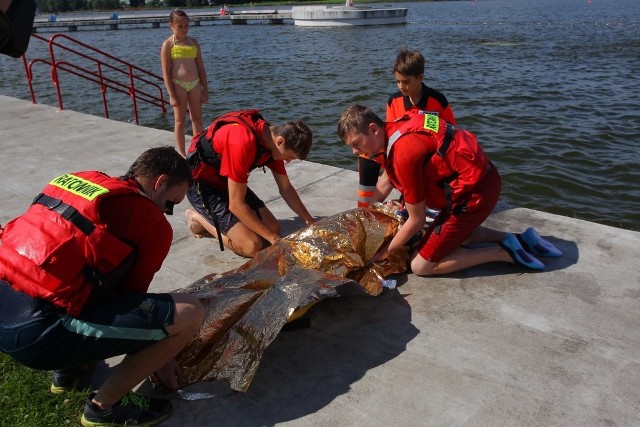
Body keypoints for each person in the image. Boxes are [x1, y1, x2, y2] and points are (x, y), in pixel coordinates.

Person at [0, 146, 206, 427]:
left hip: (6, 307)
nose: (167, 211)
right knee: (188, 312)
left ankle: (68, 372)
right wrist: (163, 356)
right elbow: (134, 299)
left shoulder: (79, 181)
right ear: (159, 183)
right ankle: (104, 407)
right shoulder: (150, 221)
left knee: (81, 273)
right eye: (171, 203)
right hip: (37, 334)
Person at [337, 105, 563, 276]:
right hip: (483, 179)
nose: (355, 151)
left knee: (420, 265)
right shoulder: (399, 126)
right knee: (453, 236)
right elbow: (387, 184)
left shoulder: (403, 153)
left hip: (473, 197)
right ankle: (521, 240)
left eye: (356, 144)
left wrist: (382, 252)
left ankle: (504, 253)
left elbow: (416, 220)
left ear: (374, 129)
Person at [184, 109, 316, 258]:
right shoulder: (242, 143)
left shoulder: (270, 143)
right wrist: (273, 239)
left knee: (273, 227)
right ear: (280, 141)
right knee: (252, 246)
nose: (288, 161)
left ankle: (234, 227)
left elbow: (286, 189)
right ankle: (197, 217)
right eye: (290, 156)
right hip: (203, 186)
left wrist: (310, 221)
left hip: (227, 181)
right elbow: (236, 205)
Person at [357, 48, 456, 209]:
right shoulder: (393, 101)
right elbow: (389, 135)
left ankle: (408, 201)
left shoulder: (438, 101)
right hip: (402, 153)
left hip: (430, 157)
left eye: (406, 82)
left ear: (420, 78)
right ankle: (364, 209)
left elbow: (451, 135)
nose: (401, 86)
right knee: (365, 156)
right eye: (398, 81)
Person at [161, 9, 209, 158]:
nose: (184, 29)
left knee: (197, 118)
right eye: (180, 26)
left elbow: (200, 67)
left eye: (186, 25)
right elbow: (166, 72)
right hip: (178, 84)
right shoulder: (168, 45)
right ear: (171, 25)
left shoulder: (193, 42)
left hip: (194, 84)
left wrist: (205, 89)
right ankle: (181, 153)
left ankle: (198, 148)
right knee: (180, 121)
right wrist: (171, 95)